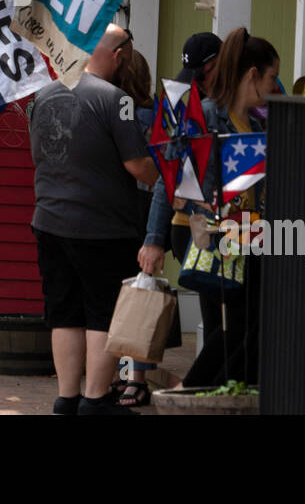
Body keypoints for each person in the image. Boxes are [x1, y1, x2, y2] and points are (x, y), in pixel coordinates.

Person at [28, 23, 159, 416]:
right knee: (103, 312)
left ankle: (66, 397)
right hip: (103, 225)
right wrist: (168, 176)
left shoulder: (43, 95)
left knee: (64, 312)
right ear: (120, 55)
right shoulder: (117, 100)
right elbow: (137, 165)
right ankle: (96, 398)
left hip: (48, 219)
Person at [171, 27, 278, 389]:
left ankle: (216, 390)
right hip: (219, 235)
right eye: (272, 77)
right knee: (236, 324)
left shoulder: (259, 122)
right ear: (253, 76)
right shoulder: (207, 116)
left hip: (251, 235)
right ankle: (194, 389)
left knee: (248, 323)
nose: (274, 86)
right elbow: (174, 182)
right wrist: (155, 240)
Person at [140, 32, 223, 279]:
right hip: (196, 226)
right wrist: (153, 239)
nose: (196, 85)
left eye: (201, 76)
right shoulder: (199, 114)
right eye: (192, 79)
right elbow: (168, 174)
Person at [112, 44, 160, 408]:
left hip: (119, 206)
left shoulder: (113, 113)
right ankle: (136, 377)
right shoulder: (157, 113)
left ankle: (118, 374)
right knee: (141, 292)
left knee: (117, 293)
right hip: (149, 205)